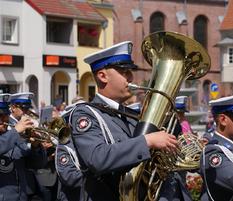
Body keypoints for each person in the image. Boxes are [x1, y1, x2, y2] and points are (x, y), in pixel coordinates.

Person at [69, 41, 178, 201]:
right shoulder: (86, 114)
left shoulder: (131, 114)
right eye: (124, 71)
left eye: (130, 71)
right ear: (102, 76)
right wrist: (147, 141)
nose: (131, 77)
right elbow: (96, 158)